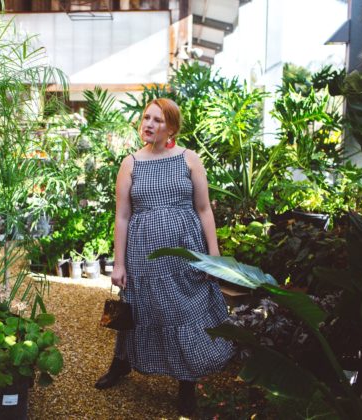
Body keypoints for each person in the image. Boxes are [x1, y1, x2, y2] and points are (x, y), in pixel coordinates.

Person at [94, 98, 234, 416]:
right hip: (142, 256)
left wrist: (214, 256)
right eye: (146, 117)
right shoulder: (130, 163)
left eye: (157, 120)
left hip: (184, 254)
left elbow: (203, 209)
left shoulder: (189, 159)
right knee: (135, 310)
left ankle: (186, 384)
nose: (149, 124)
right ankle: (121, 364)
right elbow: (122, 217)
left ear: (171, 127)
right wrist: (118, 263)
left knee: (183, 313)